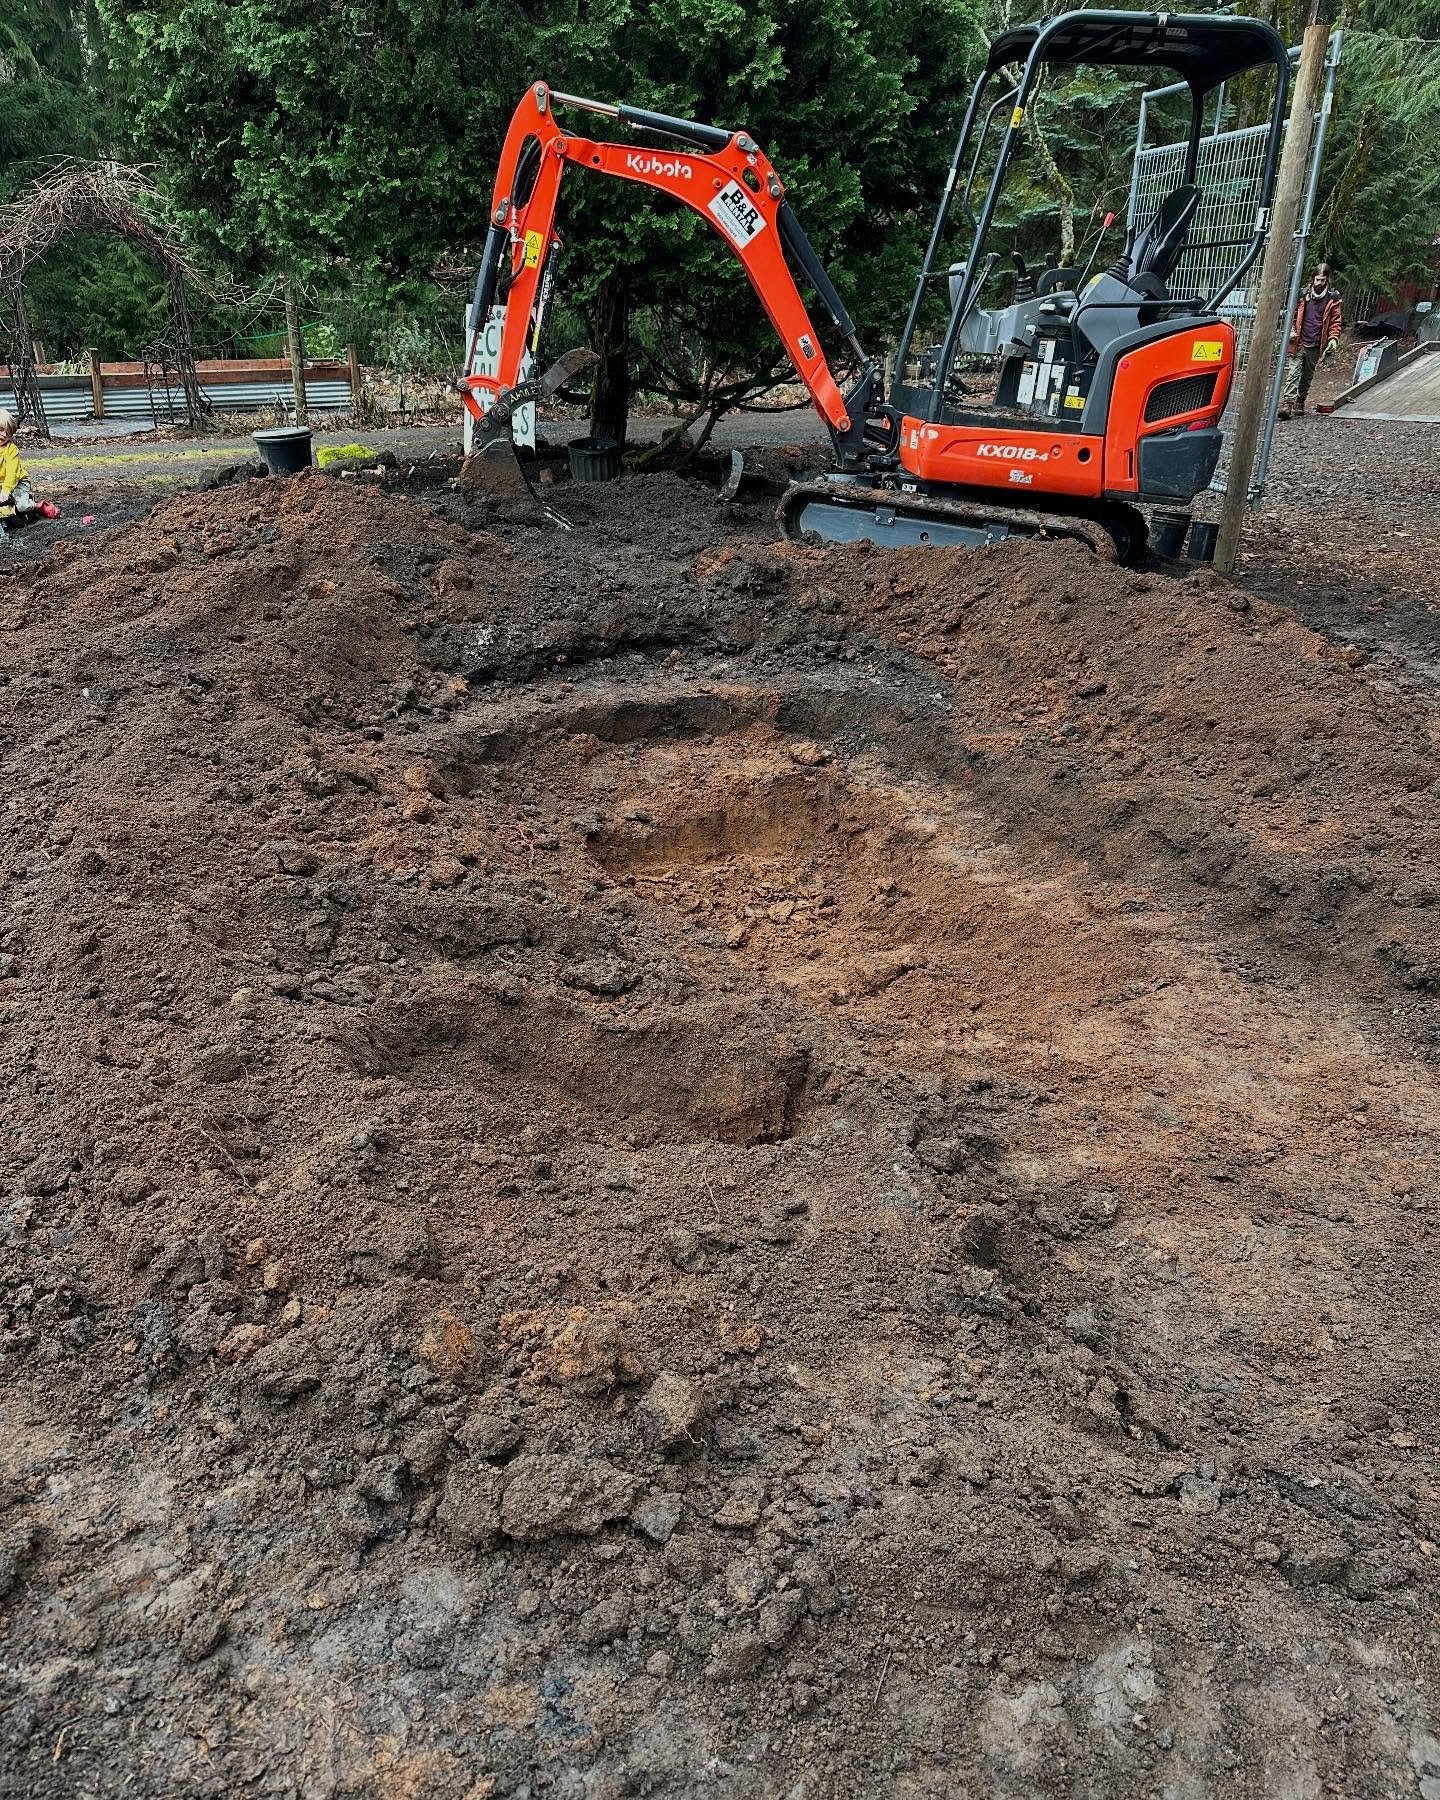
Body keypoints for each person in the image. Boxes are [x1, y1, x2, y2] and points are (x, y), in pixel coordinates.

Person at [1281, 263, 1343, 416]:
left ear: (1327, 280)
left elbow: (1336, 321)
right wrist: (1291, 331)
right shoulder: (1302, 295)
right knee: (1293, 373)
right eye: (1317, 280)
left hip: (1316, 343)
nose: (1319, 283)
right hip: (1299, 342)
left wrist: (1333, 339)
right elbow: (1292, 315)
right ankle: (1287, 403)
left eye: (1322, 280)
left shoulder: (1333, 298)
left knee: (1307, 376)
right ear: (1312, 279)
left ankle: (1300, 401)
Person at [0, 410, 36, 522]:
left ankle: (37, 505)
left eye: (8, 432)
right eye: (1, 430)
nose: (4, 435)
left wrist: (6, 490)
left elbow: (12, 473)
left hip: (18, 482)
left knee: (22, 506)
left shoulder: (11, 450)